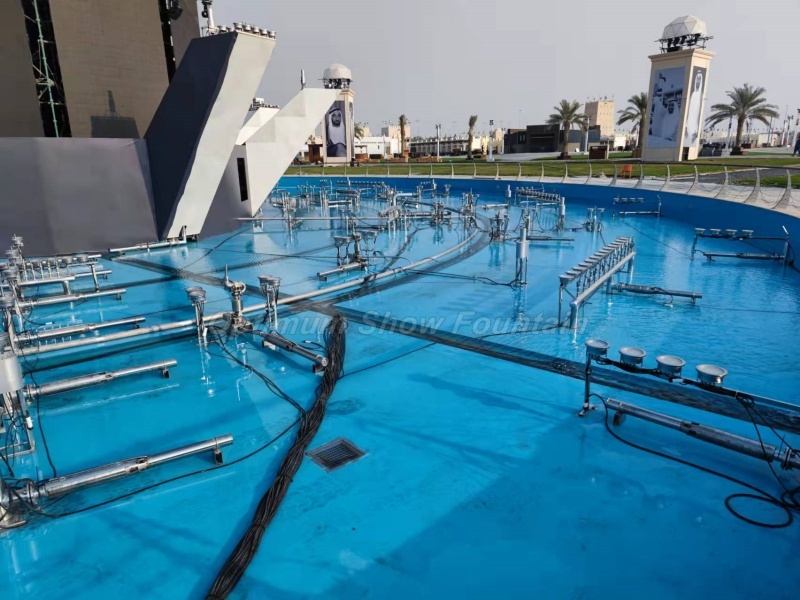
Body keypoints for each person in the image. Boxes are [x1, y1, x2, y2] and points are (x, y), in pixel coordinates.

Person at [684, 71, 704, 147]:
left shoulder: (701, 95)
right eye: (697, 79)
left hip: (695, 124)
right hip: (689, 122)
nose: (698, 81)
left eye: (699, 79)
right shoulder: (693, 94)